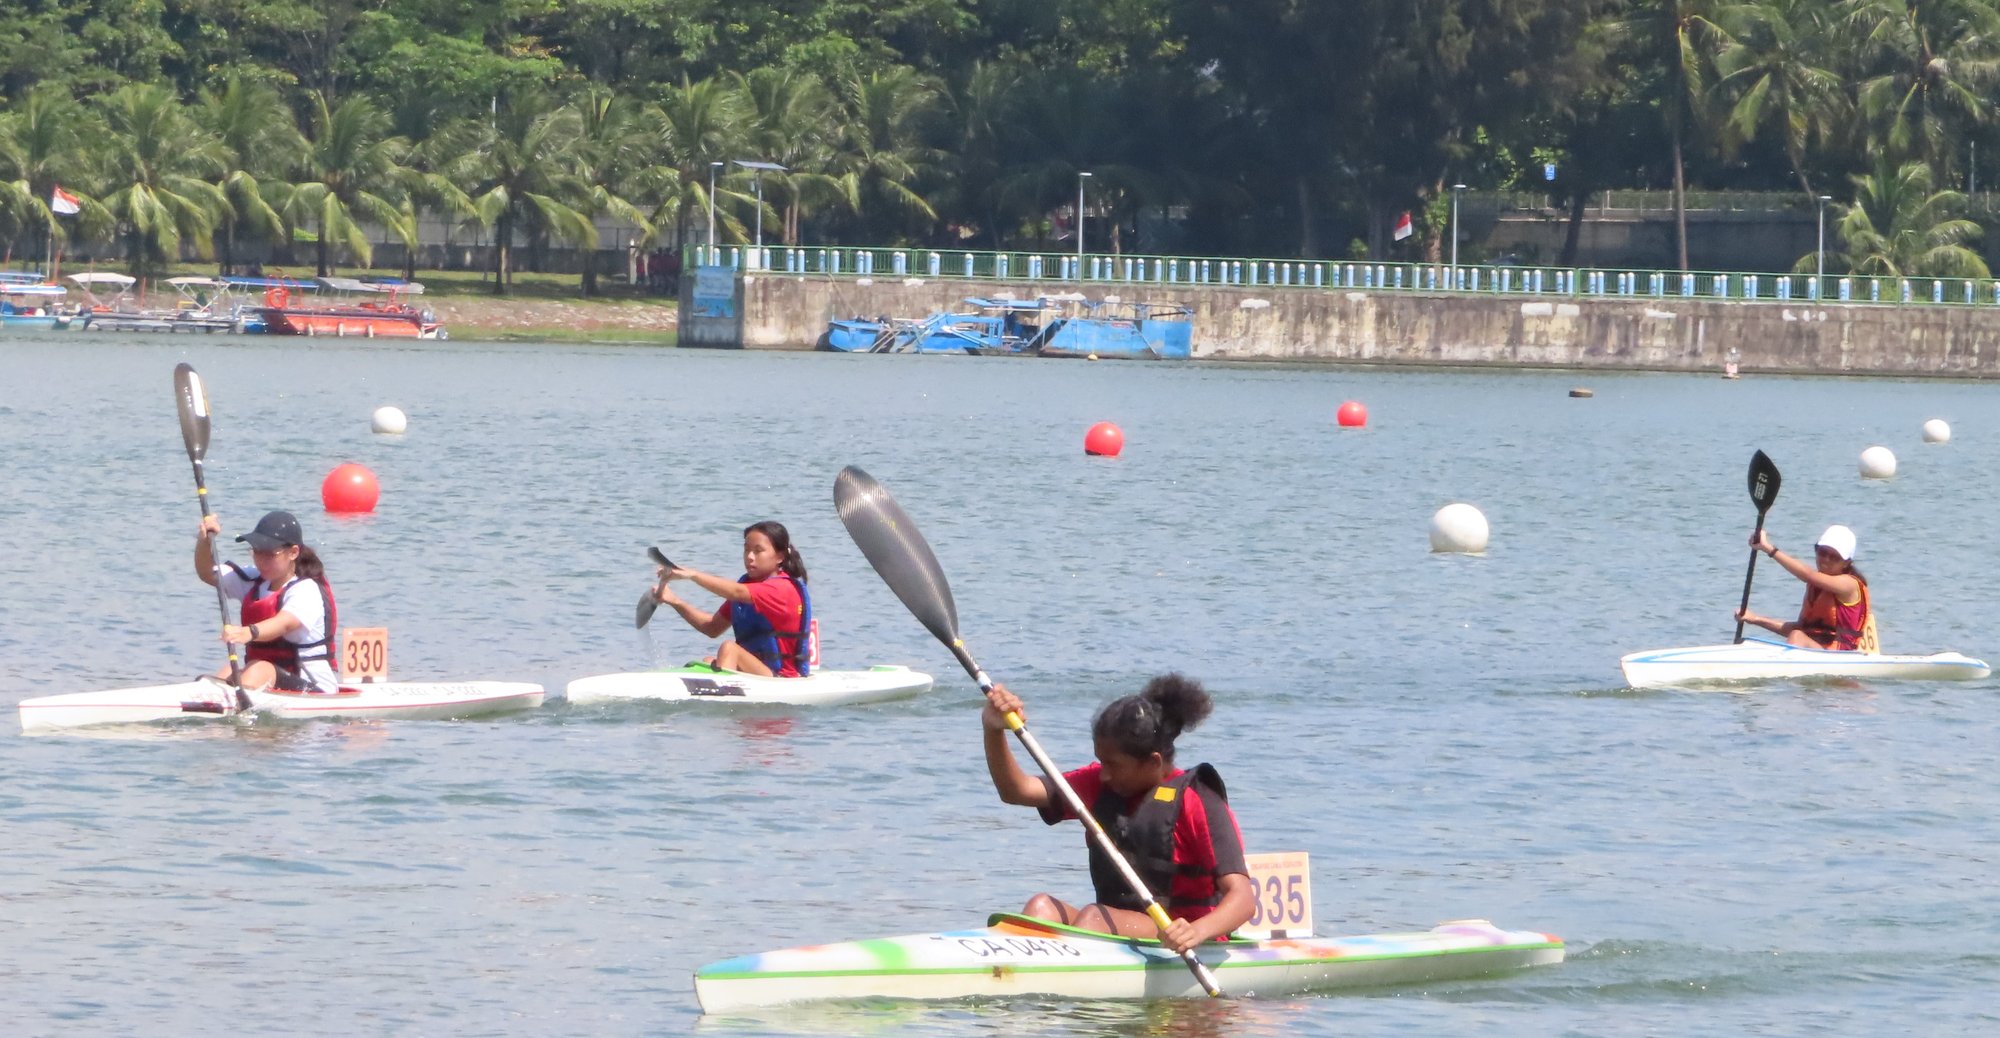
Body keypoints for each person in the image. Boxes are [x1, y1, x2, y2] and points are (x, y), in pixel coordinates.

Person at [980, 674, 1255, 954]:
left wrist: (1197, 931)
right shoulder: (1100, 783)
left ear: (1153, 762)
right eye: (1101, 761)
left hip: (1178, 935)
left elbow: (1243, 898)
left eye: (1113, 764)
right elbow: (1016, 791)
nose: (1104, 775)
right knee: (1041, 908)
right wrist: (993, 730)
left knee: (1094, 918)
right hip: (1110, 924)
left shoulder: (1198, 801)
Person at [194, 510, 340, 691]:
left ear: (293, 552)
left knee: (259, 669)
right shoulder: (253, 581)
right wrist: (204, 541)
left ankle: (236, 705)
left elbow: (285, 623)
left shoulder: (306, 588)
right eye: (256, 552)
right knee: (226, 673)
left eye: (270, 554)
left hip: (314, 687)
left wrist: (249, 632)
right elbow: (207, 573)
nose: (261, 561)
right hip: (266, 678)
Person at [653, 521, 815, 676]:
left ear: (779, 557)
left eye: (758, 551)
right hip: (760, 672)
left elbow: (736, 592)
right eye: (746, 550)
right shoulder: (750, 587)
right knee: (708, 661)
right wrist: (674, 601)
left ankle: (724, 698)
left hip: (782, 677)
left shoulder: (781, 589)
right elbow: (712, 628)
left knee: (729, 649)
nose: (750, 557)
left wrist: (693, 574)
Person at [1736, 523, 1877, 651]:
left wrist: (1767, 548)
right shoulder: (1816, 587)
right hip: (1819, 652)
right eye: (1822, 552)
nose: (1826, 560)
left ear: (1846, 563)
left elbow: (1807, 575)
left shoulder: (1849, 584)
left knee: (1797, 636)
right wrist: (1755, 619)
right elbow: (1799, 629)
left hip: (1841, 656)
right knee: (1797, 634)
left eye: (1834, 557)